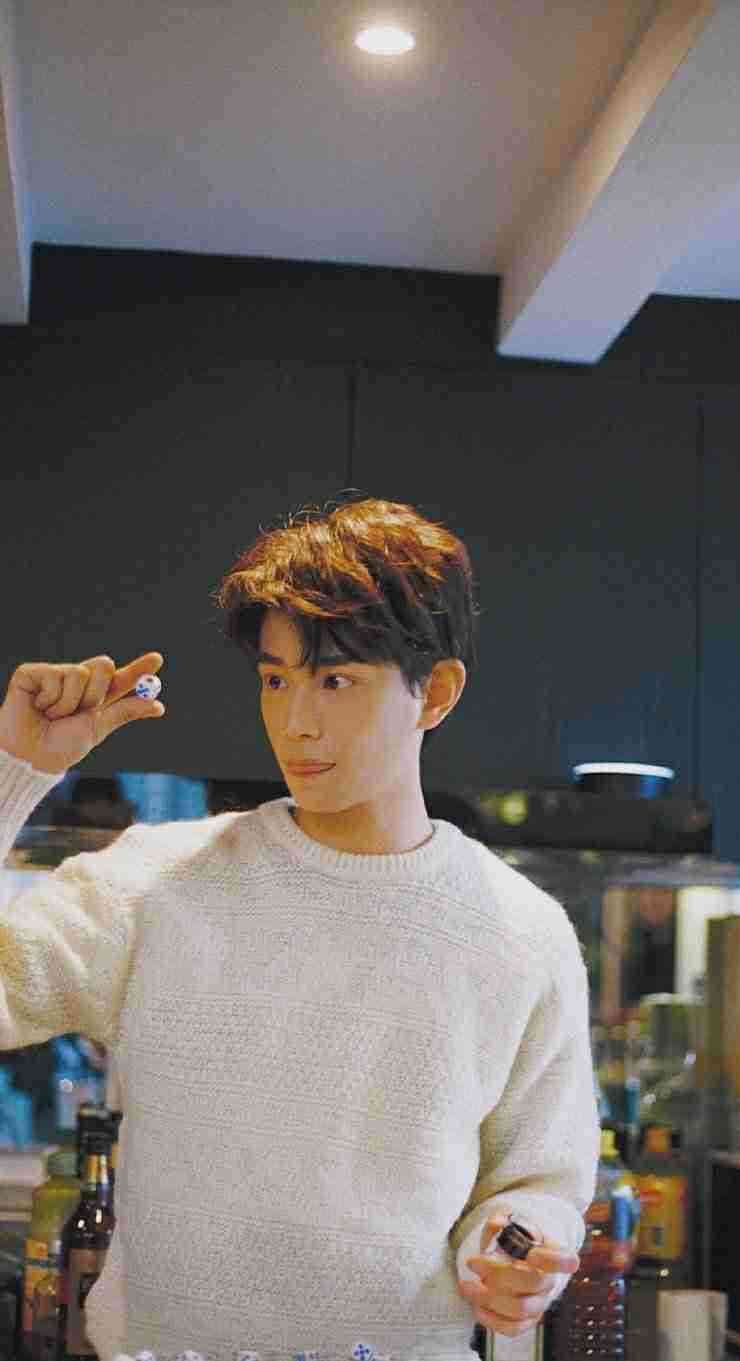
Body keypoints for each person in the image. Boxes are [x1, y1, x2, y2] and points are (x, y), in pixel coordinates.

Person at [0, 496, 600, 1361]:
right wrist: (16, 770)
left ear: (435, 692)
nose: (295, 722)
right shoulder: (157, 882)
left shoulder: (522, 934)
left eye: (335, 681)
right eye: (276, 679)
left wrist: (518, 1249)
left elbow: (538, 1181)